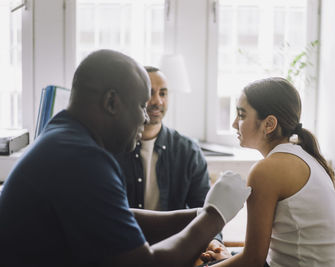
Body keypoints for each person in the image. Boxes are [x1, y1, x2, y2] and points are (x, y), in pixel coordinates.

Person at [0, 49, 251, 267]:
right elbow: (143, 265)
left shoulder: (63, 135)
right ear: (111, 102)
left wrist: (200, 214)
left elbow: (123, 217)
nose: (146, 117)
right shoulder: (83, 159)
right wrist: (214, 216)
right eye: (141, 105)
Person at [201, 77, 335, 267]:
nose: (234, 123)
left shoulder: (266, 171)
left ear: (269, 124)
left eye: (242, 115)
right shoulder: (302, 155)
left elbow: (252, 260)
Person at [116, 65, 225, 249]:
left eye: (163, 93)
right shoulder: (112, 147)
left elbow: (206, 210)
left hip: (175, 251)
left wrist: (215, 243)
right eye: (150, 92)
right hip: (123, 249)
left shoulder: (189, 151)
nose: (157, 100)